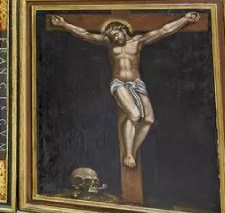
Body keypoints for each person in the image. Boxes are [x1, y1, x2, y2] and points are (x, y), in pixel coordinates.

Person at [50, 12, 200, 168]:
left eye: (116, 34)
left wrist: (186, 19)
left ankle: (132, 152)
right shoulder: (109, 44)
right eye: (112, 37)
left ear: (123, 30)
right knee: (134, 114)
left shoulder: (138, 41)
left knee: (148, 119)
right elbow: (85, 34)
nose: (115, 39)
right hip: (119, 83)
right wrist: (64, 24)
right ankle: (128, 153)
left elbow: (164, 30)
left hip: (137, 83)